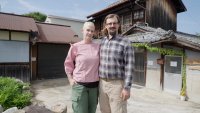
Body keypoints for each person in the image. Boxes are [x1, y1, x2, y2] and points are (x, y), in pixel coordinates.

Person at [99, 14, 135, 113]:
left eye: (114, 23)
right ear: (106, 26)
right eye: (109, 23)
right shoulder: (102, 42)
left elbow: (130, 66)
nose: (112, 25)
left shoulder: (125, 42)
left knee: (118, 111)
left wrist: (127, 88)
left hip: (117, 85)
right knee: (104, 110)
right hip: (102, 84)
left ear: (119, 25)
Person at [64, 21, 99, 113]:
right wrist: (70, 79)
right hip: (79, 86)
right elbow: (68, 64)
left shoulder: (97, 47)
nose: (90, 33)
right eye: (88, 30)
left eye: (92, 31)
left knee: (92, 111)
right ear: (82, 31)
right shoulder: (75, 47)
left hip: (94, 87)